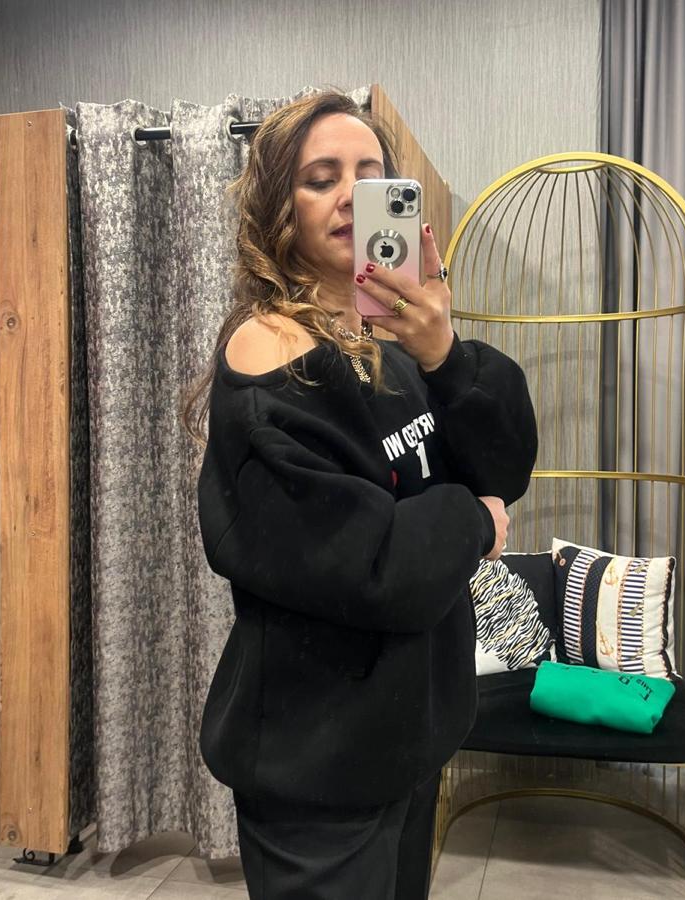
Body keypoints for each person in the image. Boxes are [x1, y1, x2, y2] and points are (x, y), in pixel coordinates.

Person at [182, 90, 538, 900]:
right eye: (321, 178)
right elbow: (377, 565)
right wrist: (475, 521)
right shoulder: (272, 359)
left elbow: (506, 462)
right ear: (280, 208)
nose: (350, 194)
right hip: (318, 760)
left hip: (407, 736)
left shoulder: (395, 337)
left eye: (369, 176)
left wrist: (445, 351)